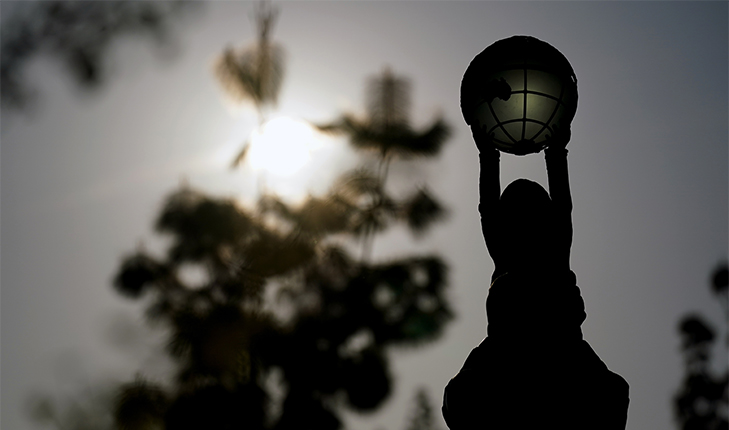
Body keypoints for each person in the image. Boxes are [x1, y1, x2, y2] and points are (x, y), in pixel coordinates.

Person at [442, 126, 629, 430]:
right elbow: (493, 210)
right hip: (515, 355)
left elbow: (492, 209)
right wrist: (553, 153)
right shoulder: (516, 253)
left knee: (611, 396)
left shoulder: (541, 252)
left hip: (555, 354)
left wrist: (490, 155)